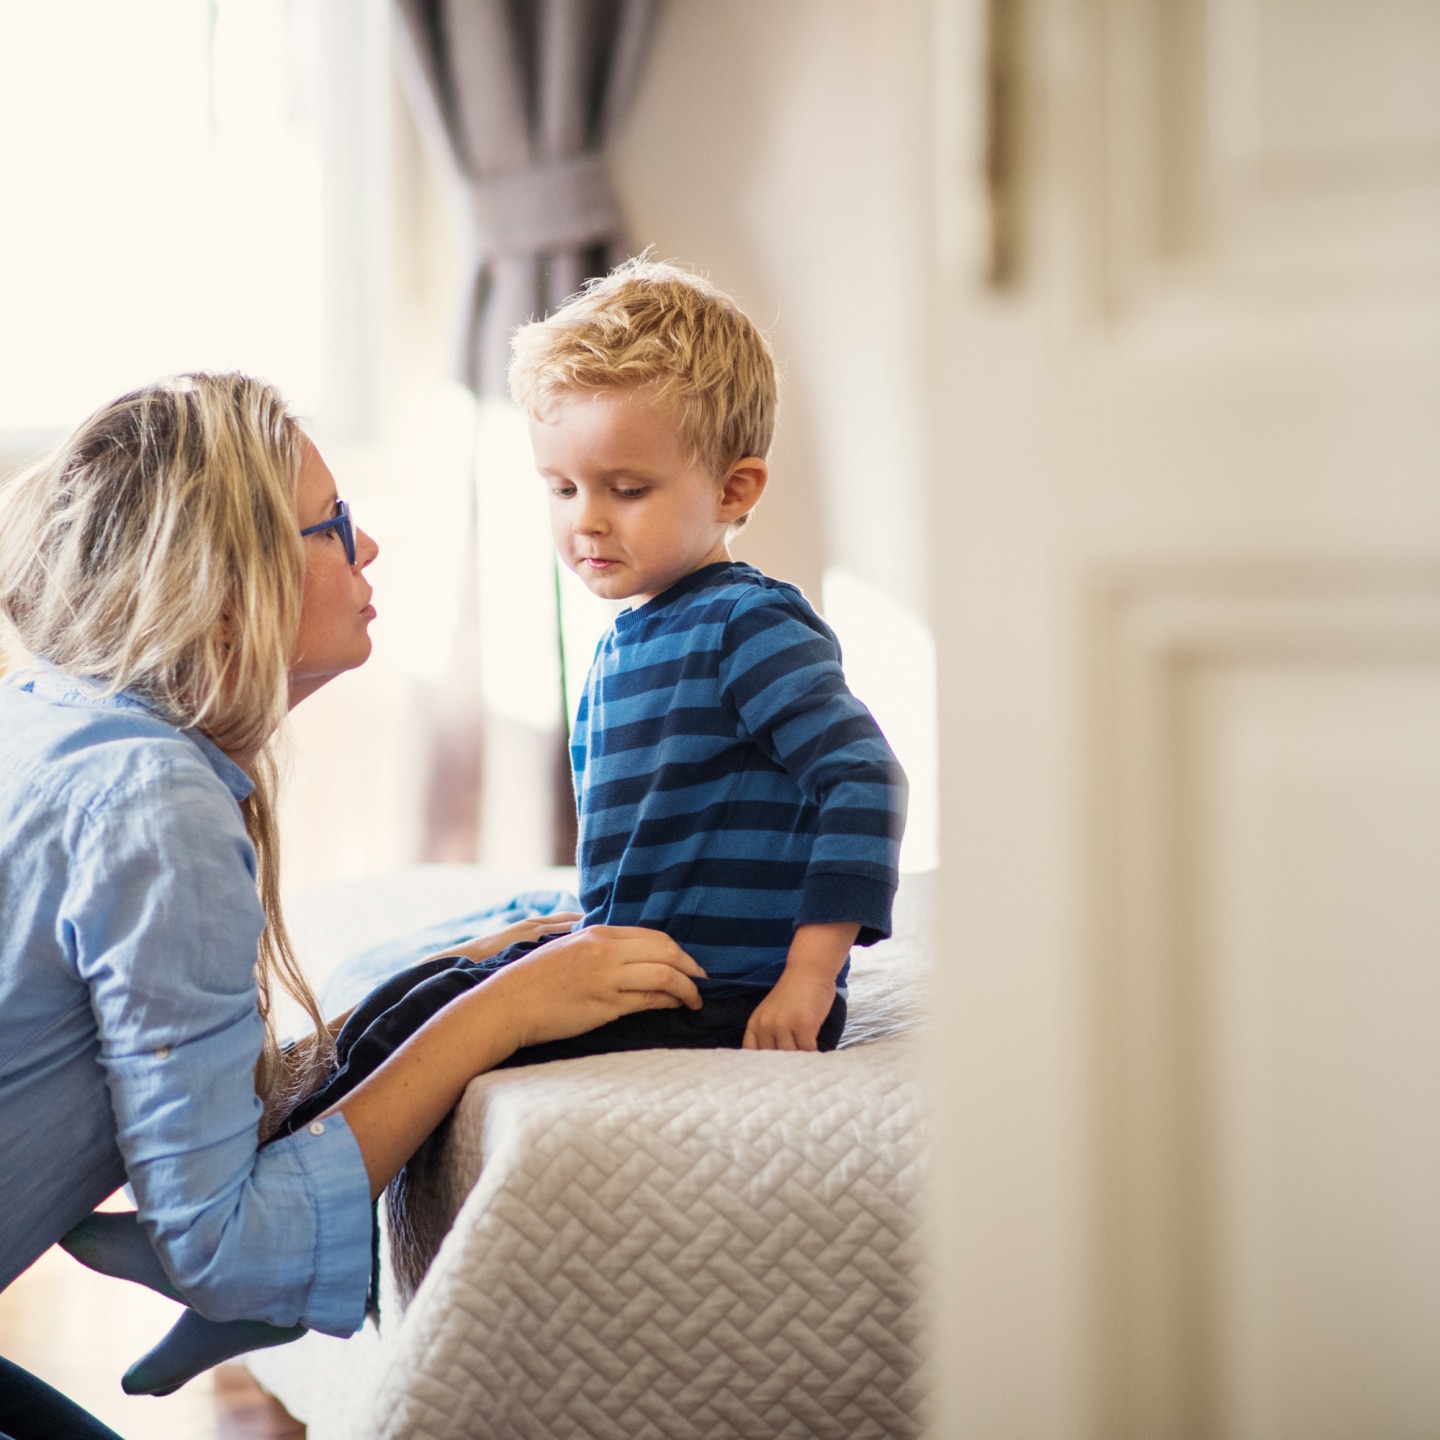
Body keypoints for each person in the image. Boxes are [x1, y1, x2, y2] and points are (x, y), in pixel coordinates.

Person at [0, 373, 705, 1438]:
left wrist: (450, 974)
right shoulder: (154, 805)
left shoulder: (57, 722)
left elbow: (199, 1094)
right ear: (226, 588)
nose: (366, 548)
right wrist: (502, 1010)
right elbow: (224, 1246)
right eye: (332, 525)